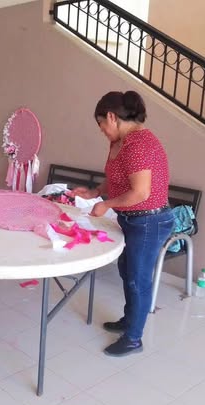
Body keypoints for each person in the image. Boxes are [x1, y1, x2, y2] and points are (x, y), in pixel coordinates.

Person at [72, 91, 174, 357]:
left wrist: (106, 205)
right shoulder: (120, 141)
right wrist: (95, 192)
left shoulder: (139, 144)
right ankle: (129, 321)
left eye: (101, 125)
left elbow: (140, 193)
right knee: (127, 270)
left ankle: (133, 338)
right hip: (132, 219)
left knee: (138, 279)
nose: (102, 132)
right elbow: (116, 176)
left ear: (111, 117)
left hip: (150, 220)